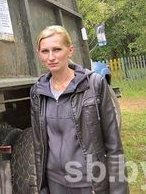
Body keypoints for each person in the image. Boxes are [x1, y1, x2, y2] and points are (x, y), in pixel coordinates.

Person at [30, 25, 128, 194]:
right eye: (45, 51)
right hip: (55, 183)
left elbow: (114, 146)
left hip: (87, 183)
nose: (51, 57)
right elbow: (39, 147)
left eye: (57, 49)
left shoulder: (94, 85)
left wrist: (118, 190)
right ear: (39, 53)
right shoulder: (38, 92)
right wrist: (42, 187)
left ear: (70, 50)